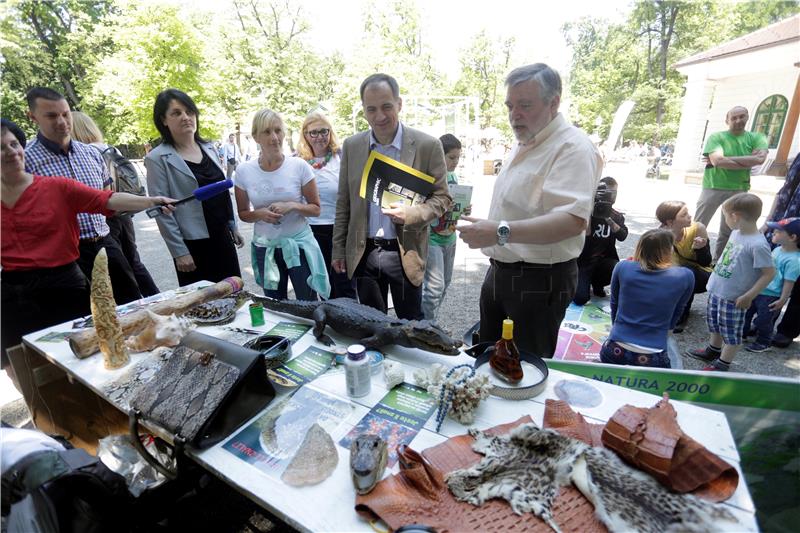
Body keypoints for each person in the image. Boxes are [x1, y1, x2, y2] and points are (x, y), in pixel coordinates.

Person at [1, 119, 174, 371]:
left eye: (14, 144)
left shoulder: (55, 187)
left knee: (82, 358)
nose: (11, 152)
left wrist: (151, 200)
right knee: (20, 363)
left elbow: (107, 199)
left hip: (64, 286)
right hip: (14, 294)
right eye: (1, 147)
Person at [458, 63, 602, 356]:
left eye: (525, 105)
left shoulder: (573, 147)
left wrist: (499, 231)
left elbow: (573, 221)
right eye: (510, 105)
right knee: (488, 357)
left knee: (523, 368)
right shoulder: (526, 140)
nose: (514, 114)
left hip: (539, 280)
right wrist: (491, 227)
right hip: (501, 272)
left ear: (554, 102)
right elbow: (525, 208)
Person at [332, 73, 450, 319]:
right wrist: (338, 250)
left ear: (399, 103)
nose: (380, 116)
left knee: (410, 326)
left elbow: (442, 198)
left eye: (386, 106)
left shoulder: (427, 146)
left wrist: (413, 214)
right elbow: (344, 203)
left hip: (405, 252)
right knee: (372, 323)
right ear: (364, 110)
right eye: (371, 109)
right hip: (363, 252)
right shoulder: (352, 146)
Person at [24, 87, 143, 304]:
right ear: (32, 117)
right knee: (84, 318)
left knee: (133, 305)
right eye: (51, 115)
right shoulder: (25, 161)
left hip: (106, 243)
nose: (61, 121)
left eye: (65, 113)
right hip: (67, 256)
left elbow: (107, 197)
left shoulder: (91, 153)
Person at [145, 89, 243, 286]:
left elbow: (222, 191)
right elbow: (161, 210)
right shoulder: (157, 158)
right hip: (193, 245)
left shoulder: (209, 148)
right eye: (176, 113)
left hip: (222, 237)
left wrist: (233, 225)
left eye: (189, 112)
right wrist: (179, 252)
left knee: (234, 295)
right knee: (203, 307)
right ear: (164, 120)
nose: (185, 117)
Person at [235, 109, 329, 300]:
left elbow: (316, 209)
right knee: (275, 305)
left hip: (298, 245)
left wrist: (292, 206)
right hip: (265, 247)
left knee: (308, 304)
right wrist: (260, 214)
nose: (274, 137)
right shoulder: (244, 171)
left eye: (278, 130)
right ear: (255, 137)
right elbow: (243, 213)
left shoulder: (299, 166)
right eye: (267, 132)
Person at [70, 111, 160, 297]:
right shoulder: (110, 148)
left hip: (106, 215)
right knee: (133, 260)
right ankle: (156, 298)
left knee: (115, 266)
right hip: (125, 211)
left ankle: (131, 302)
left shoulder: (84, 153)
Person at [687, 193, 774, 371]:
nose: (725, 219)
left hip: (735, 297)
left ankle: (723, 363)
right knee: (715, 323)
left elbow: (769, 273)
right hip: (718, 289)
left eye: (725, 215)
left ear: (735, 216)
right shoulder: (736, 233)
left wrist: (749, 296)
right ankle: (713, 350)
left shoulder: (758, 244)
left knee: (732, 332)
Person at [600, 229, 693, 368]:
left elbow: (615, 304)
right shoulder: (685, 275)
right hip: (654, 356)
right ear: (669, 250)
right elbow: (679, 310)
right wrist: (667, 331)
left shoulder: (622, 267)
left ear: (640, 247)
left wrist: (618, 328)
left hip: (615, 350)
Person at [695, 106, 768, 262]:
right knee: (698, 226)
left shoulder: (757, 137)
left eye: (742, 116)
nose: (738, 120)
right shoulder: (717, 137)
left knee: (730, 230)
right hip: (713, 186)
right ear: (727, 120)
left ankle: (718, 263)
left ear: (748, 117)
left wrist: (726, 160)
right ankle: (690, 257)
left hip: (739, 189)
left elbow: (760, 160)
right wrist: (749, 160)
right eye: (733, 118)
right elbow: (717, 161)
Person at [296, 111, 356, 299]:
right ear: (305, 135)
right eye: (313, 132)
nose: (319, 137)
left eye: (324, 131)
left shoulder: (341, 157)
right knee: (320, 283)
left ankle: (350, 324)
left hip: (339, 229)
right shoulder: (297, 161)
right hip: (310, 231)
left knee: (344, 282)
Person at [421, 134, 471, 321]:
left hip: (450, 236)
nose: (456, 161)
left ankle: (430, 323)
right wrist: (439, 206)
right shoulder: (428, 178)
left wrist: (463, 208)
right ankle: (425, 329)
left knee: (446, 283)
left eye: (458, 157)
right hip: (432, 238)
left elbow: (456, 206)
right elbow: (421, 208)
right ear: (439, 155)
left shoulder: (453, 176)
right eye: (451, 157)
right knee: (434, 288)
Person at [742, 217, 800, 352]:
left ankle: (764, 342)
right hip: (759, 289)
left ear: (792, 237)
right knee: (746, 313)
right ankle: (742, 333)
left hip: (771, 296)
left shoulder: (795, 260)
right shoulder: (778, 249)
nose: (773, 232)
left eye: (779, 231)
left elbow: (788, 282)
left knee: (764, 321)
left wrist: (782, 300)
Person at [761, 154, 800, 347]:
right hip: (785, 224)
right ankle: (764, 322)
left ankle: (787, 330)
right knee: (775, 273)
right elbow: (784, 190)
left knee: (797, 282)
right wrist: (768, 222)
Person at [655, 200, 712, 331]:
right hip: (675, 275)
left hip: (700, 276)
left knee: (687, 271)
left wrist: (701, 249)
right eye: (684, 215)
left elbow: (706, 262)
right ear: (670, 222)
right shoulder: (660, 234)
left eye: (688, 213)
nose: (690, 216)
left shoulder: (698, 229)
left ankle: (682, 315)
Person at [573, 176, 628, 306]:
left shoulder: (616, 216)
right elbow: (579, 234)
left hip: (604, 260)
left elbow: (622, 236)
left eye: (614, 193)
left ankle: (598, 284)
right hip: (584, 261)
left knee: (617, 268)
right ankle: (582, 282)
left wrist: (608, 218)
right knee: (580, 299)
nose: (611, 196)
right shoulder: (587, 212)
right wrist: (589, 212)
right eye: (607, 193)